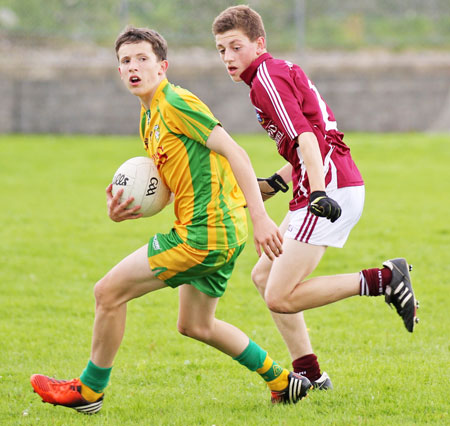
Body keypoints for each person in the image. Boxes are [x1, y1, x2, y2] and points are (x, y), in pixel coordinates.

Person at [29, 26, 313, 414]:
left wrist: (262, 217)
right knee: (195, 325)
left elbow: (236, 153)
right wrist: (123, 210)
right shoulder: (148, 121)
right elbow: (173, 186)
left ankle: (90, 392)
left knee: (107, 293)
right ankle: (283, 382)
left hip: (205, 233)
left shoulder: (176, 103)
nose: (134, 67)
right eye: (126, 61)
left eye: (143, 59)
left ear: (162, 66)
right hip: (217, 230)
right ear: (119, 71)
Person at [212, 5, 419, 389]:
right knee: (264, 274)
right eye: (221, 49)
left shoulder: (265, 80)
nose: (227, 57)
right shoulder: (275, 72)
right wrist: (276, 182)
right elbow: (316, 136)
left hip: (329, 189)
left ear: (259, 44)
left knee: (279, 296)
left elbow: (307, 138)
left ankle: (384, 278)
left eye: (235, 47)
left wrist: (319, 192)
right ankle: (310, 374)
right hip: (328, 183)